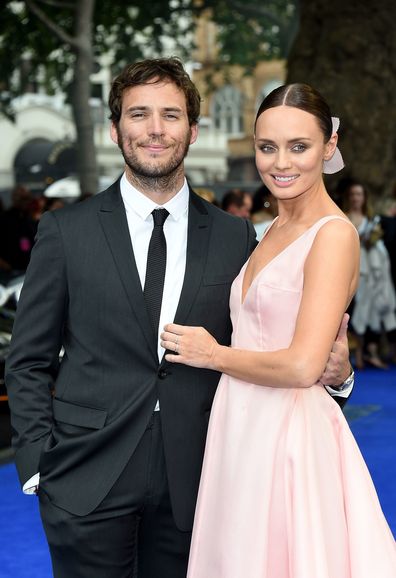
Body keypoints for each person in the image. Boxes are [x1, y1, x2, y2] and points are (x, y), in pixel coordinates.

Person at [6, 62, 352, 578]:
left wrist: (339, 373)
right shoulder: (65, 232)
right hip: (85, 480)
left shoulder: (238, 238)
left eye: (171, 115)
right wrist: (38, 464)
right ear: (115, 129)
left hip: (204, 483)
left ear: (192, 130)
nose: (155, 129)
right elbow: (28, 359)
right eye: (139, 114)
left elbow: (268, 342)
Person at [161, 84, 396, 577]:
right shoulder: (267, 229)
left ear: (328, 148)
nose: (280, 162)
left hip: (289, 434)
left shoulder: (334, 235)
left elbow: (303, 365)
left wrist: (213, 354)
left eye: (299, 146)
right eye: (268, 147)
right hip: (239, 426)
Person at [344, 180, 396, 369]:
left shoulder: (372, 219)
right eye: (353, 194)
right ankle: (352, 354)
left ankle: (367, 353)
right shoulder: (342, 217)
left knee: (368, 310)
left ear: (364, 198)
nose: (356, 198)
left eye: (359, 194)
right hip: (347, 270)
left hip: (368, 273)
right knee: (349, 312)